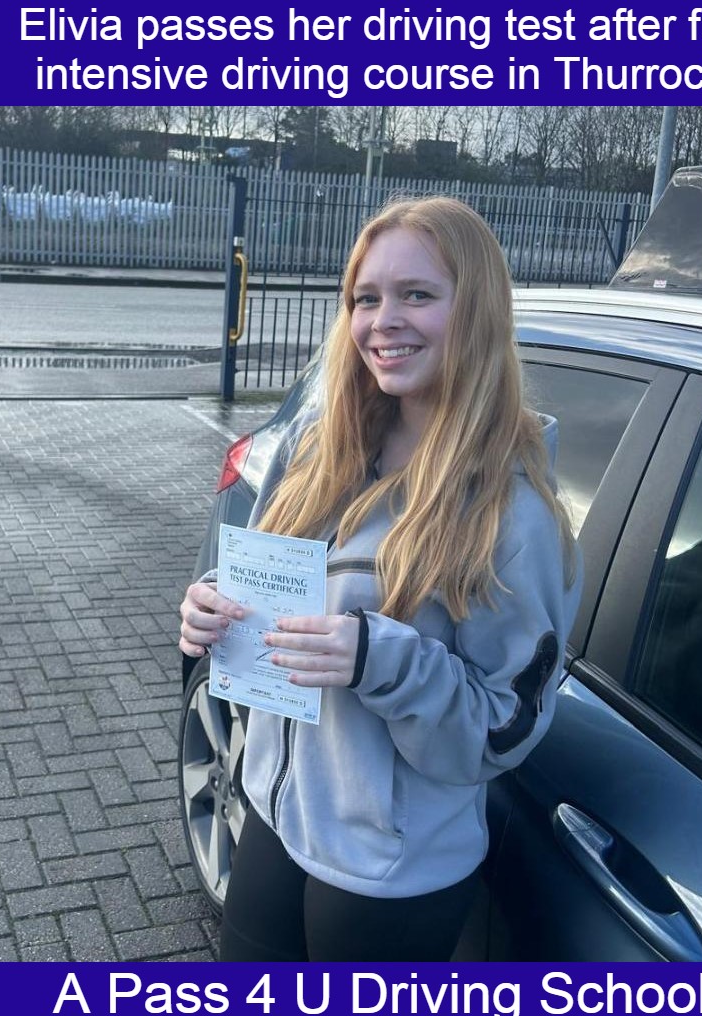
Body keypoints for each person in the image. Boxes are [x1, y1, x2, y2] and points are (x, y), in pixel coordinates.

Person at [178, 195, 582, 962]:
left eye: (416, 294)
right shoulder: (316, 449)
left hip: (389, 871)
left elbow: (502, 729)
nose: (383, 321)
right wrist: (209, 611)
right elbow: (263, 584)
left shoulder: (513, 516)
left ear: (477, 311)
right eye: (366, 298)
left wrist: (379, 660)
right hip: (273, 812)